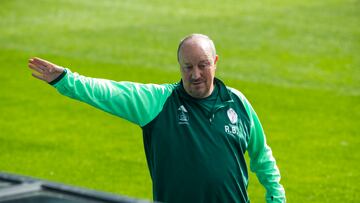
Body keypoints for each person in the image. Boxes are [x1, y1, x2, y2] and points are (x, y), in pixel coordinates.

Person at [28, 34, 286, 203]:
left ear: (215, 62)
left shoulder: (238, 103)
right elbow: (110, 92)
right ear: (179, 66)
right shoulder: (158, 102)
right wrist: (65, 80)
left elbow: (262, 156)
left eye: (203, 65)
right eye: (188, 67)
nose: (195, 74)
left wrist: (276, 197)